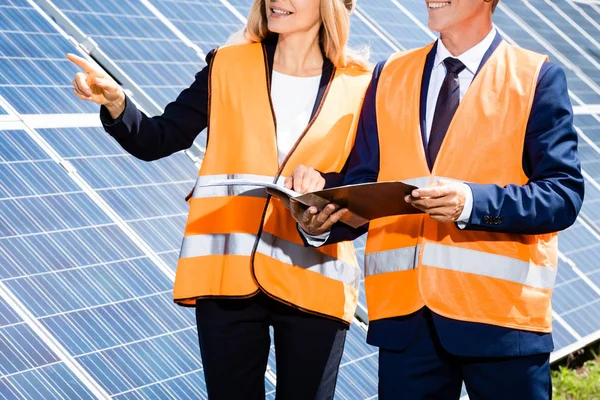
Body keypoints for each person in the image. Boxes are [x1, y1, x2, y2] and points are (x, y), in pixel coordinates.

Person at [67, 0, 371, 398]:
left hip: (315, 276)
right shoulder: (227, 64)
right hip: (226, 274)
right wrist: (117, 105)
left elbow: (366, 182)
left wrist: (324, 182)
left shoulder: (363, 84)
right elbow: (160, 137)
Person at [293, 0, 585, 398]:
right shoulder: (389, 74)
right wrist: (322, 223)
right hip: (404, 324)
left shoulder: (535, 76)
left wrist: (470, 203)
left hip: (501, 320)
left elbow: (562, 194)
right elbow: (366, 180)